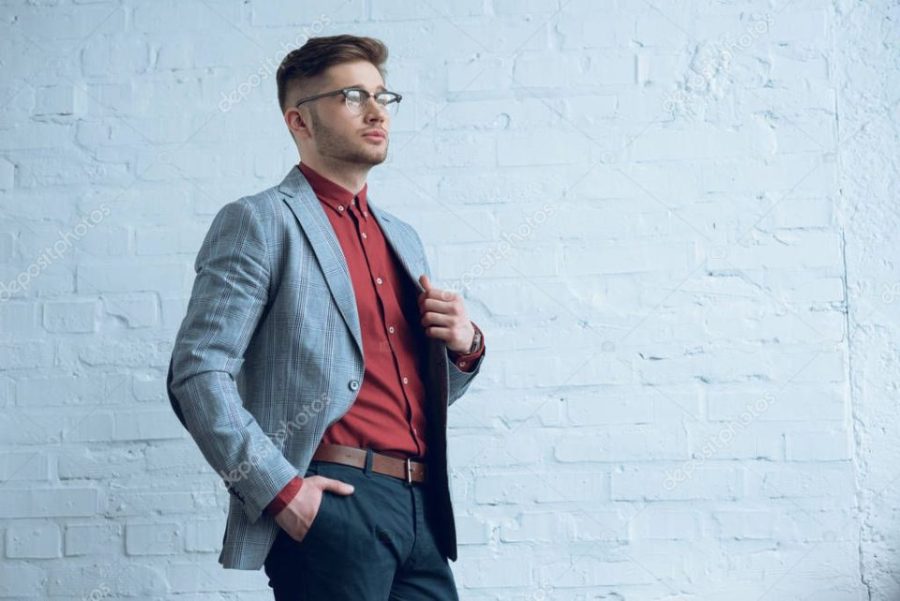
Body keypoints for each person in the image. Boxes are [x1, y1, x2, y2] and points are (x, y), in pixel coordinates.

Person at [166, 33, 486, 600]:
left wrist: (463, 349)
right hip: (333, 501)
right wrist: (283, 494)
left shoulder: (404, 239)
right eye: (352, 96)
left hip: (422, 508)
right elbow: (196, 372)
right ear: (300, 121)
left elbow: (402, 392)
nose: (375, 112)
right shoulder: (260, 222)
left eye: (383, 98)